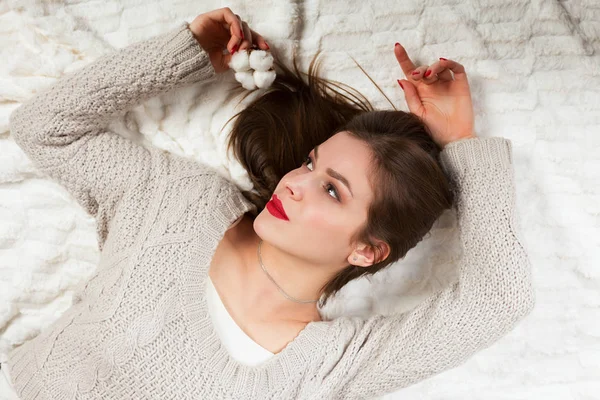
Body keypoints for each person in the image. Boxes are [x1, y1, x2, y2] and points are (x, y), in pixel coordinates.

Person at [2, 6, 535, 400]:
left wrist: (464, 147)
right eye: (309, 163)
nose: (294, 184)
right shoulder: (178, 202)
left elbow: (498, 301)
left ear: (368, 251)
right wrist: (186, 53)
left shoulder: (330, 365)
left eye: (332, 189)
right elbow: (44, 129)